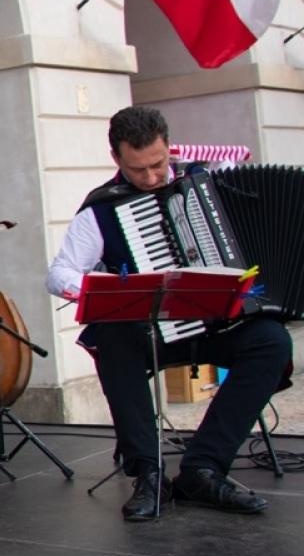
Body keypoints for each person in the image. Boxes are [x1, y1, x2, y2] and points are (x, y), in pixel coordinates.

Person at [45, 105, 291, 521]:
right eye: (138, 169)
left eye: (158, 164)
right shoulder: (102, 209)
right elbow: (59, 274)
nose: (151, 178)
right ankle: (149, 473)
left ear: (168, 147)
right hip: (151, 332)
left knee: (272, 342)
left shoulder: (213, 184)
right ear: (117, 160)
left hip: (217, 325)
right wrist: (100, 289)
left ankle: (203, 468)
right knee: (112, 338)